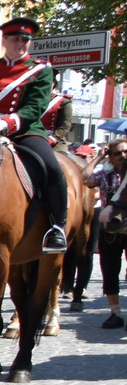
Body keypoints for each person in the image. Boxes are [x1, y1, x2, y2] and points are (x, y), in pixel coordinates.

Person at [0, 16, 66, 252]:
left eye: (25, 39)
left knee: (51, 168)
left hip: (23, 131)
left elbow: (35, 107)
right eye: (15, 39)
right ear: (4, 40)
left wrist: (5, 124)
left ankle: (56, 228)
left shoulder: (40, 70)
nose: (20, 43)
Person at [81, 139, 127, 327]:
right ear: (111, 156)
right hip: (110, 227)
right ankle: (115, 313)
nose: (123, 155)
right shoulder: (105, 174)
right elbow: (85, 178)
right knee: (109, 271)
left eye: (126, 151)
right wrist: (98, 157)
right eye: (118, 153)